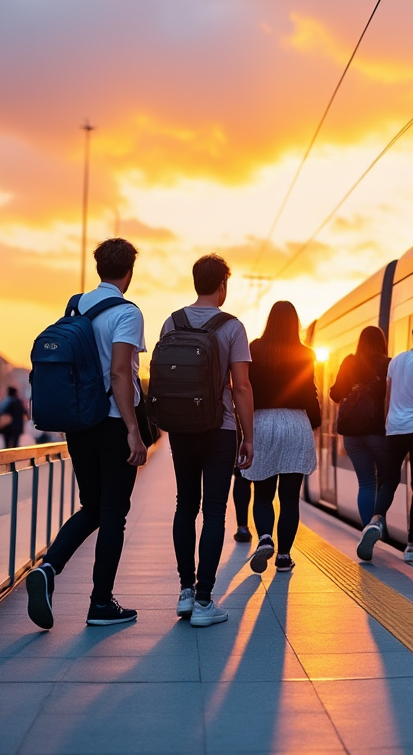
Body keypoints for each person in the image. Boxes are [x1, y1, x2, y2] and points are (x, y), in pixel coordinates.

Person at [25, 237, 148, 629]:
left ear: (99, 268)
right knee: (114, 513)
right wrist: (133, 429)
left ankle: (48, 569)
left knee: (93, 507)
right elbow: (119, 373)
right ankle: (100, 603)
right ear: (129, 271)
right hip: (112, 422)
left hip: (78, 424)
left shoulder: (75, 305)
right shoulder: (127, 313)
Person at [165, 253, 254, 627]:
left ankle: (186, 592)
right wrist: (248, 437)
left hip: (180, 427)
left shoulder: (173, 321)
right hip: (220, 428)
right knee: (215, 511)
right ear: (222, 285)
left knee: (186, 505)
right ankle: (204, 601)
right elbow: (242, 386)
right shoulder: (232, 327)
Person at [357, 322, 413, 564]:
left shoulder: (395, 361)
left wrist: (390, 422)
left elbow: (388, 395)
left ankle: (376, 519)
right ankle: (411, 547)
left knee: (389, 480)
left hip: (395, 429)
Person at [242, 301, 320, 574]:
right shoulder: (305, 353)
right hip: (296, 423)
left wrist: (244, 428)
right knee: (290, 498)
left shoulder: (255, 349)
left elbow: (244, 389)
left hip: (262, 423)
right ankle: (284, 556)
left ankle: (265, 537)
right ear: (294, 323)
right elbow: (309, 393)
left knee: (262, 494)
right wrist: (316, 421)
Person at [330, 326, 389, 525]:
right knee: (384, 483)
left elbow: (335, 394)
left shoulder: (350, 362)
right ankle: (378, 527)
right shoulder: (388, 364)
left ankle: (367, 531)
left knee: (366, 483)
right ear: (382, 343)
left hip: (352, 434)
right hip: (378, 432)